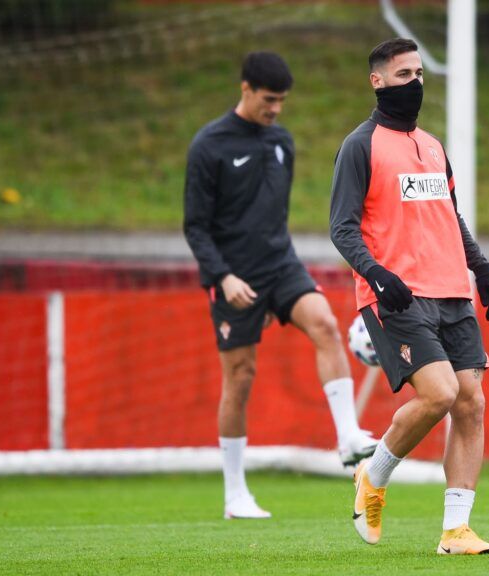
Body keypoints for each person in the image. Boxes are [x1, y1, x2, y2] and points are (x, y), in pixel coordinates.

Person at [183, 51, 377, 520]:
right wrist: (224, 277)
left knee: (325, 325)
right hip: (233, 276)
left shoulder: (282, 142)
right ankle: (235, 494)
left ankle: (348, 434)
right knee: (241, 376)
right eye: (269, 99)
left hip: (280, 266)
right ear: (245, 89)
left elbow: (274, 215)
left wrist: (276, 289)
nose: (276, 109)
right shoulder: (208, 145)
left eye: (282, 101)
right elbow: (195, 227)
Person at [329, 38, 489, 555]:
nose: (415, 83)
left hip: (453, 289)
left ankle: (456, 531)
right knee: (441, 394)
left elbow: (450, 215)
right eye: (403, 75)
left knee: (472, 404)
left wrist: (481, 266)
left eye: (420, 73)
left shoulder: (432, 145)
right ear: (377, 81)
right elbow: (342, 229)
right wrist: (376, 274)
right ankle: (374, 473)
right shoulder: (359, 146)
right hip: (398, 297)